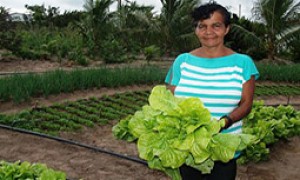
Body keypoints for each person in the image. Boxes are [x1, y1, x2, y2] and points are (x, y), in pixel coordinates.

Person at [165, 2, 259, 180]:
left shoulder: (243, 63)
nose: (209, 32)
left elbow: (246, 104)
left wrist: (225, 122)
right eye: (202, 26)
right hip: (187, 147)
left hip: (223, 146)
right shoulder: (182, 61)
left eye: (216, 25)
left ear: (226, 29)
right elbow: (168, 100)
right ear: (196, 30)